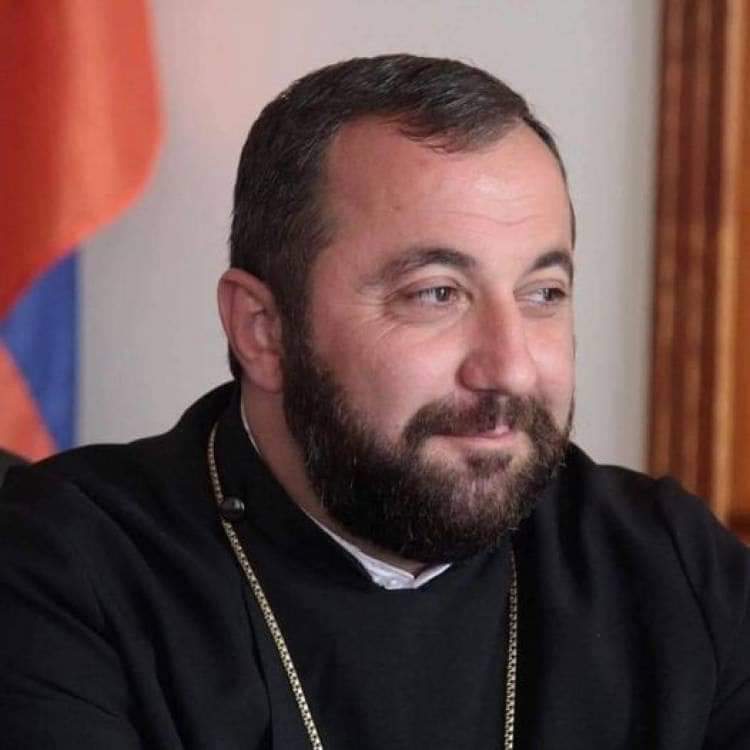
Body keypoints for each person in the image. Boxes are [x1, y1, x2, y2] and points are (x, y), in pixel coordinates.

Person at [0, 54, 748, 749]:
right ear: (263, 330)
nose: (510, 368)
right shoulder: (63, 568)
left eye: (543, 293)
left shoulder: (669, 566)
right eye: (436, 294)